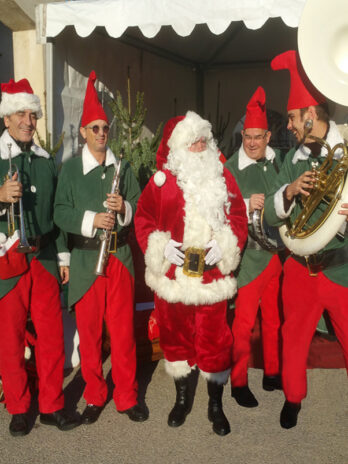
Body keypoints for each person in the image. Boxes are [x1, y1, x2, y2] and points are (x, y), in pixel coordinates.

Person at [134, 111, 248, 436]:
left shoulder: (224, 177)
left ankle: (215, 404)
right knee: (175, 338)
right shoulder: (161, 182)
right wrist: (161, 247)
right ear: (180, 147)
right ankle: (182, 398)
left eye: (203, 140)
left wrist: (224, 246)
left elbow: (238, 216)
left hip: (212, 280)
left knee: (215, 340)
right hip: (174, 280)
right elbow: (142, 219)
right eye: (192, 141)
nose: (199, 146)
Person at [54, 71, 147, 425]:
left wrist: (123, 207)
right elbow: (60, 212)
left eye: (105, 128)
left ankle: (126, 396)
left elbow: (137, 207)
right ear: (82, 132)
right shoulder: (71, 170)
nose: (101, 133)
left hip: (119, 258)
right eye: (94, 128)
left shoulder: (120, 169)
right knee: (90, 336)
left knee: (123, 332)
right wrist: (92, 219)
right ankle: (95, 395)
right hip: (84, 261)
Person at [265, 50, 348, 428]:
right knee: (293, 335)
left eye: (294, 120)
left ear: (310, 115)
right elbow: (268, 212)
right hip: (299, 268)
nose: (289, 128)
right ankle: (293, 398)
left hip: (339, 267)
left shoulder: (345, 152)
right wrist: (288, 191)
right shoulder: (289, 161)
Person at [0, 78, 79, 436]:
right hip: (8, 261)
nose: (28, 121)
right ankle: (18, 408)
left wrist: (63, 256)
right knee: (10, 339)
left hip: (44, 257)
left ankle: (51, 405)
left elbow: (58, 213)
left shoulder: (47, 162)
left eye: (33, 115)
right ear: (6, 119)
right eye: (20, 114)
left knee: (51, 337)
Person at [225, 86, 283, 408]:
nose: (252, 143)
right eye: (248, 136)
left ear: (268, 136)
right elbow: (223, 208)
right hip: (248, 259)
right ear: (242, 135)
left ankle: (272, 371)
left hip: (274, 255)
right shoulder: (233, 168)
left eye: (258, 137)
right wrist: (248, 204)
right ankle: (238, 382)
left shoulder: (276, 163)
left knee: (273, 317)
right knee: (243, 323)